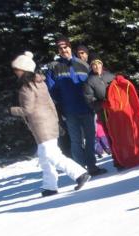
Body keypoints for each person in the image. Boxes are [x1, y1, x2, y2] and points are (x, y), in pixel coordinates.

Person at [8, 52, 90, 197]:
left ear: (24, 69)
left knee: (52, 155)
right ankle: (50, 186)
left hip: (41, 125)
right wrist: (56, 120)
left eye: (17, 69)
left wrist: (11, 110)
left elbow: (27, 109)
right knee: (44, 157)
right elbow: (51, 103)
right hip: (48, 122)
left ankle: (80, 174)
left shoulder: (27, 87)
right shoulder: (40, 83)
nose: (15, 73)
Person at [44, 37, 105, 175]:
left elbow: (92, 83)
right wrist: (61, 108)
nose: (63, 50)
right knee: (76, 141)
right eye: (60, 48)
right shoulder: (54, 67)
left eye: (65, 47)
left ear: (70, 47)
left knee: (90, 139)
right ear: (58, 51)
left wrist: (95, 102)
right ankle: (81, 171)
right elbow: (51, 91)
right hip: (69, 111)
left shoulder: (83, 64)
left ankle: (92, 167)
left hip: (87, 108)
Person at [83, 58, 120, 169]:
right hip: (103, 111)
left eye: (99, 63)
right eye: (94, 64)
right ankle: (117, 159)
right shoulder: (89, 81)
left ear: (102, 64)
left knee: (120, 133)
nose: (97, 66)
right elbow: (89, 99)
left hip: (115, 110)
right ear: (91, 67)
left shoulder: (110, 76)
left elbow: (118, 89)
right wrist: (101, 104)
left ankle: (127, 153)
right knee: (110, 135)